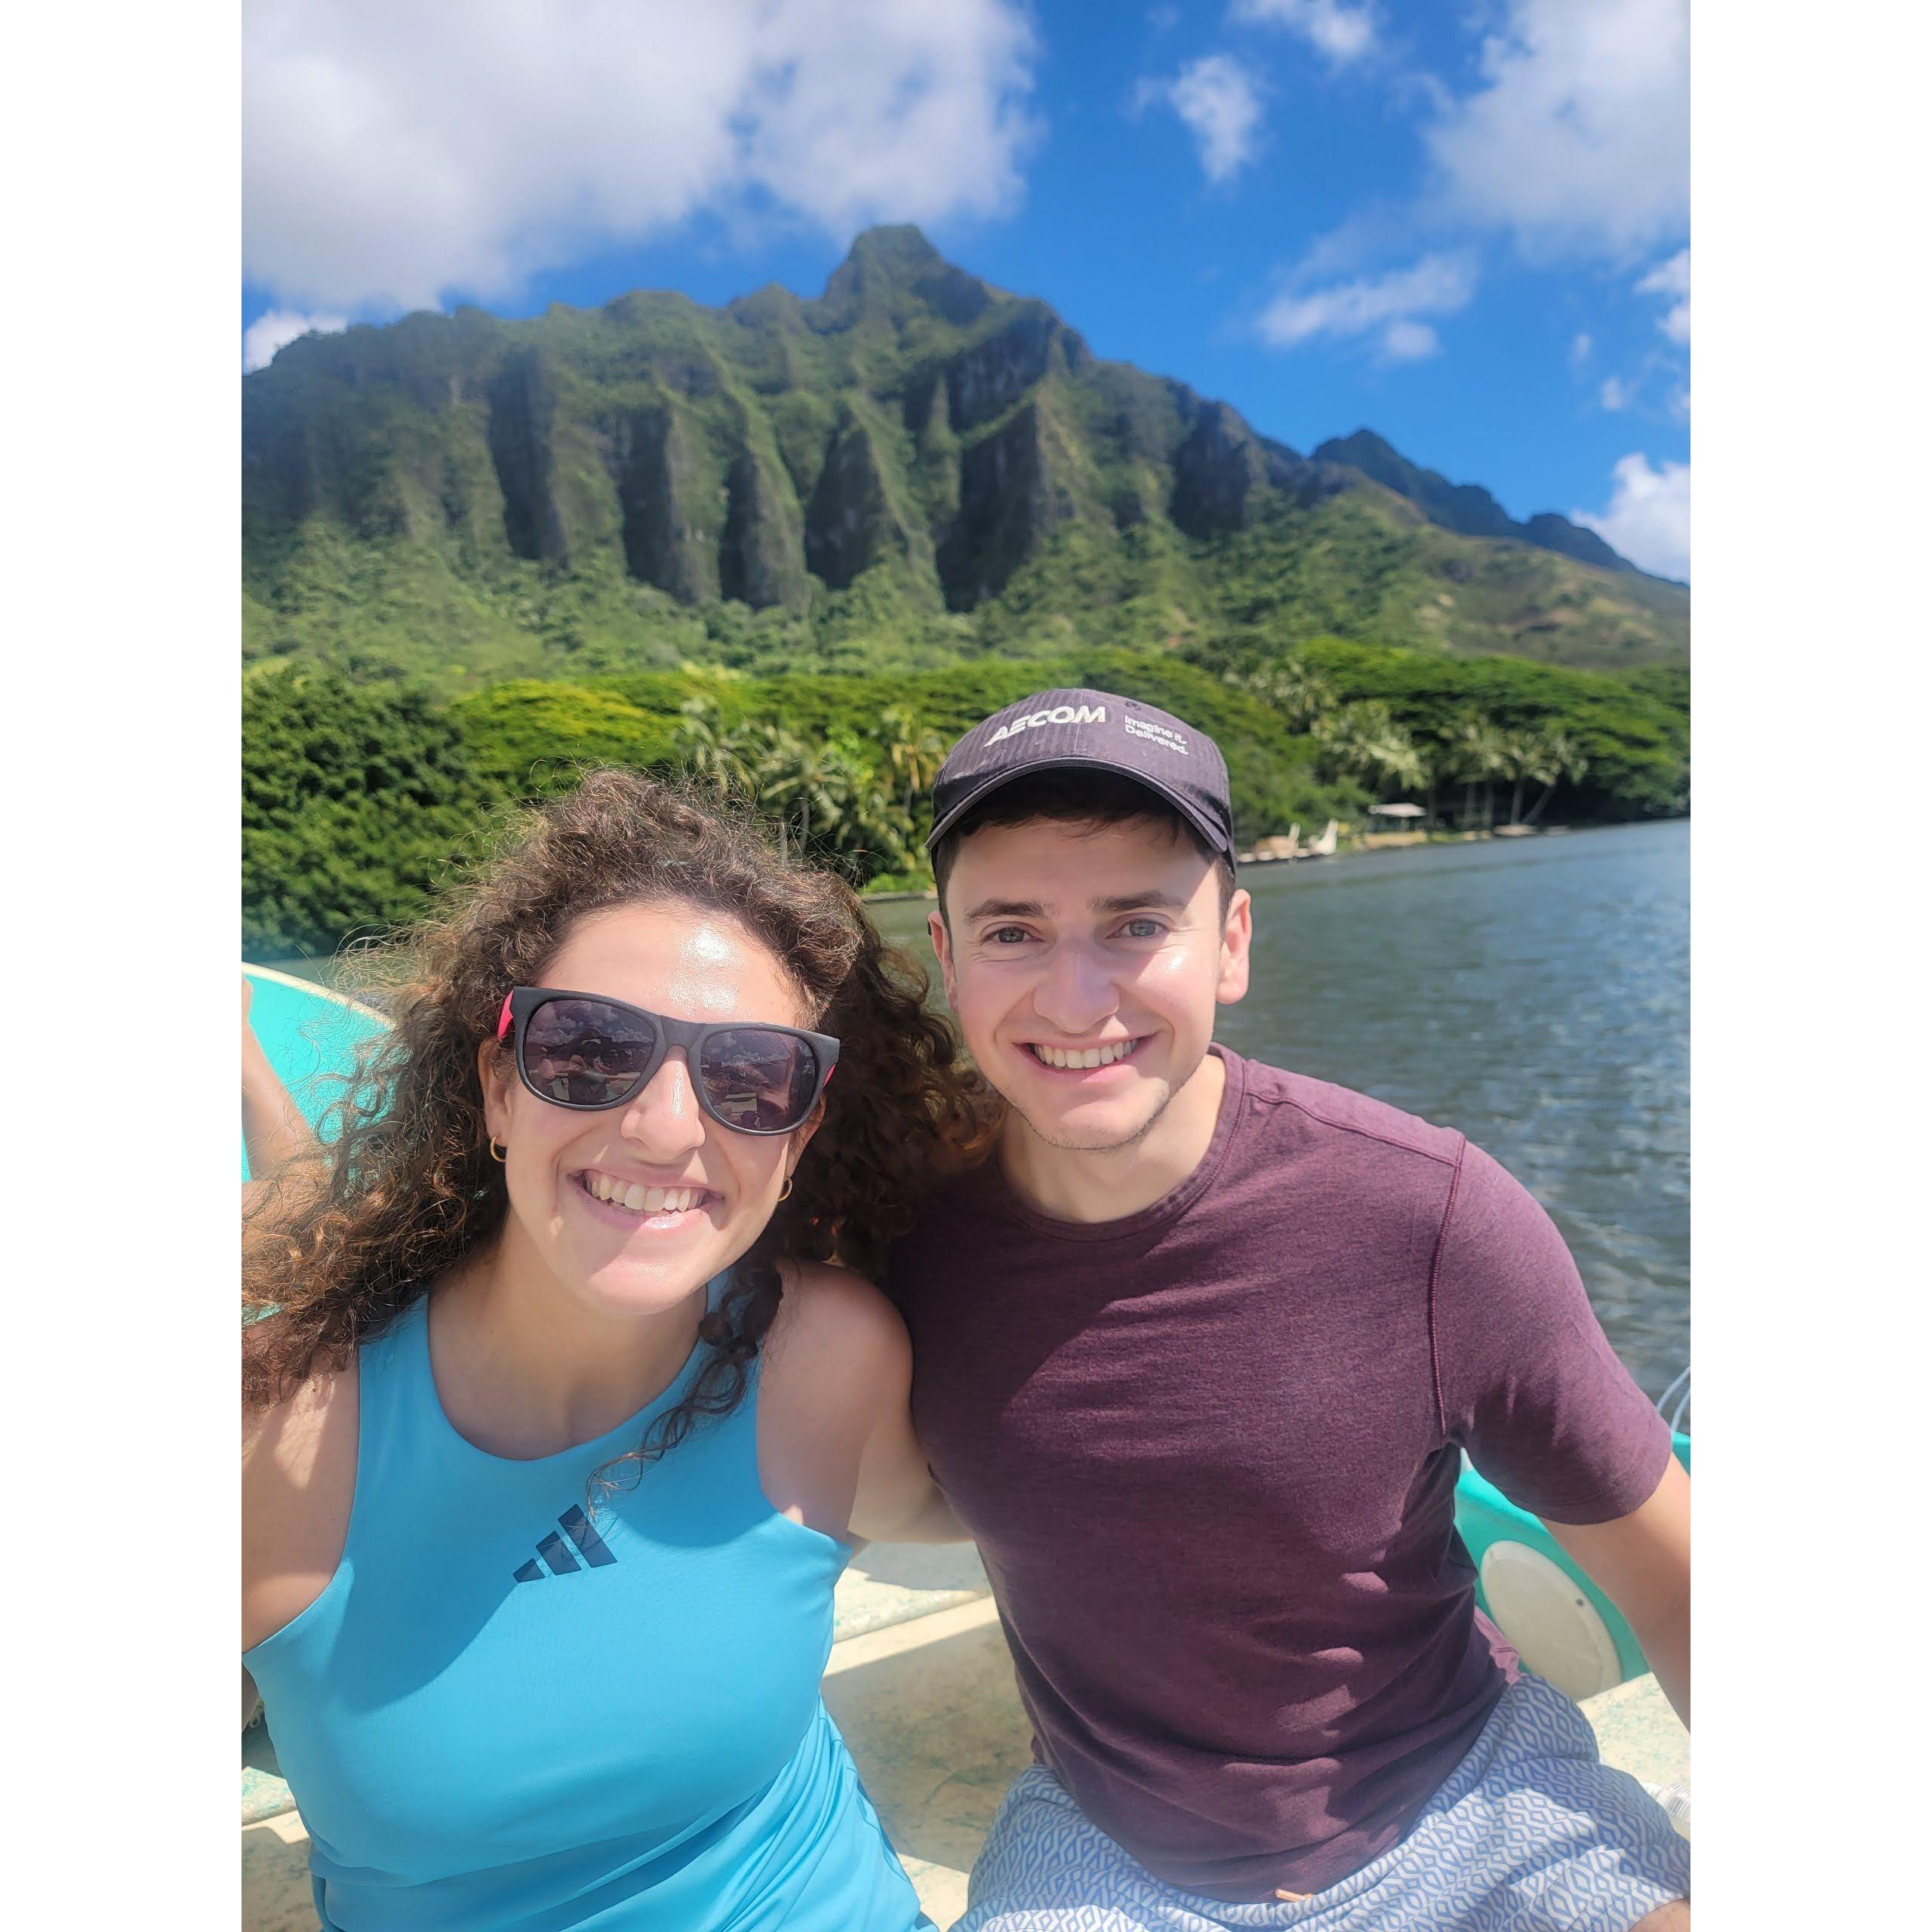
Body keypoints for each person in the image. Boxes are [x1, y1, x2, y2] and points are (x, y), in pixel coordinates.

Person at [886, 690, 1693, 1930]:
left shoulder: (1428, 1218)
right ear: (947, 958)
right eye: (1013, 932)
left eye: (1137, 924)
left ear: (1232, 943)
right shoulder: (903, 1241)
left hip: (1473, 1796)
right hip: (1109, 1847)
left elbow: (1679, 1580)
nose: (1076, 997)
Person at [242, 771, 985, 1930]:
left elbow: (1009, 1513)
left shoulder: (822, 1360)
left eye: (750, 1075)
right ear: (498, 1089)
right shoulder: (275, 1443)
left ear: (799, 1135)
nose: (664, 1126)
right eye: (589, 1052)